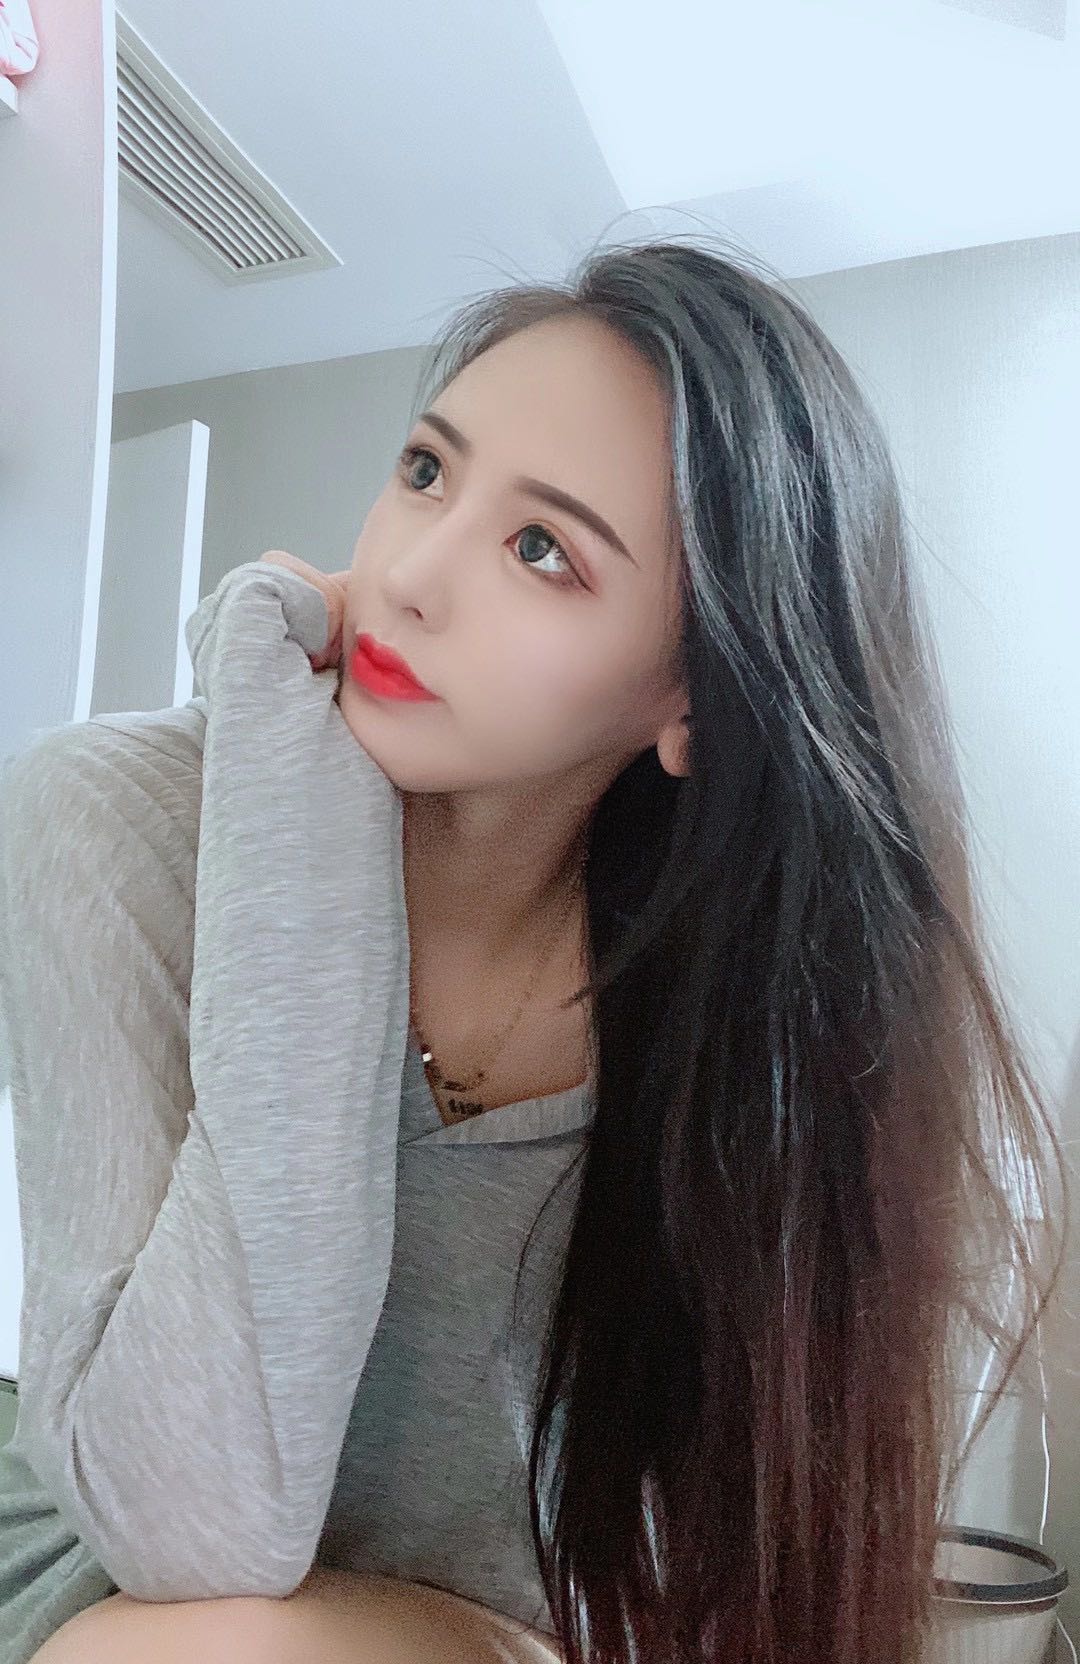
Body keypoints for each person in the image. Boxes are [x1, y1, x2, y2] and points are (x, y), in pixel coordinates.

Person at [0, 237, 1066, 1664]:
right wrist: (297, 824)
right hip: (120, 1601)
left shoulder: (745, 1008)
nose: (411, 574)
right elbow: (192, 1525)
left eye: (542, 549)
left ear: (692, 696)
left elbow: (740, 1566)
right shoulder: (114, 820)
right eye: (426, 471)